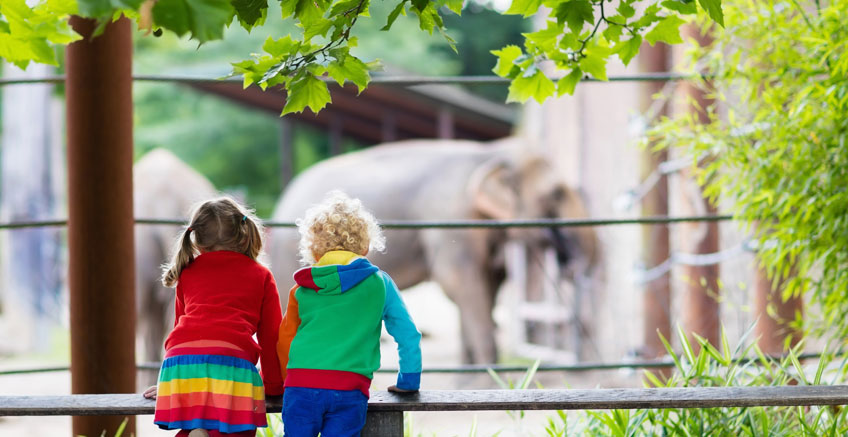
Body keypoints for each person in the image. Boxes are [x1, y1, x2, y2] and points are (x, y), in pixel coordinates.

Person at [277, 190, 422, 437]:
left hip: (300, 386)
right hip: (349, 388)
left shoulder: (301, 289)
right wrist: (408, 381)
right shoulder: (379, 284)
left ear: (313, 248)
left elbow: (284, 340)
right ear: (365, 244)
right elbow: (408, 335)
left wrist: (285, 380)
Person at [142, 197, 284, 437]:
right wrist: (273, 385)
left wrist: (174, 384)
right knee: (234, 431)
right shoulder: (261, 275)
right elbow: (271, 339)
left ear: (198, 244)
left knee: (193, 429)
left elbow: (181, 328)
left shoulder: (187, 272)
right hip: (231, 363)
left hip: (179, 366)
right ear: (245, 235)